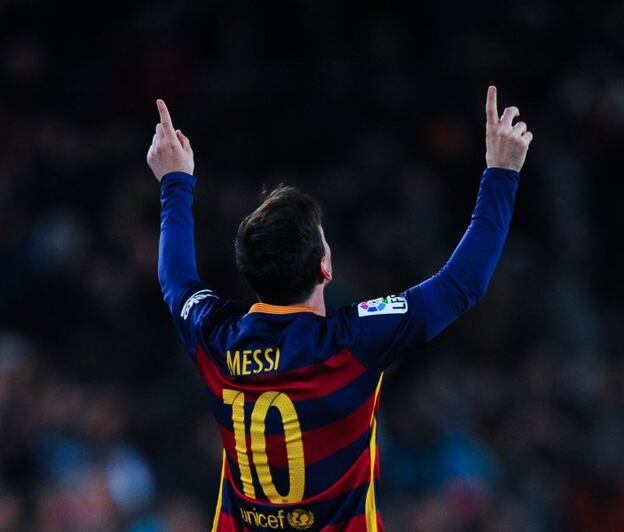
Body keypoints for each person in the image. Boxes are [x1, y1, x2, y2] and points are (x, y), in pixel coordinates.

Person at [148, 86, 532, 531]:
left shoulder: (215, 333)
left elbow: (176, 280)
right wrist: (502, 172)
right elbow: (461, 284)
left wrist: (175, 182)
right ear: (325, 267)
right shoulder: (352, 342)